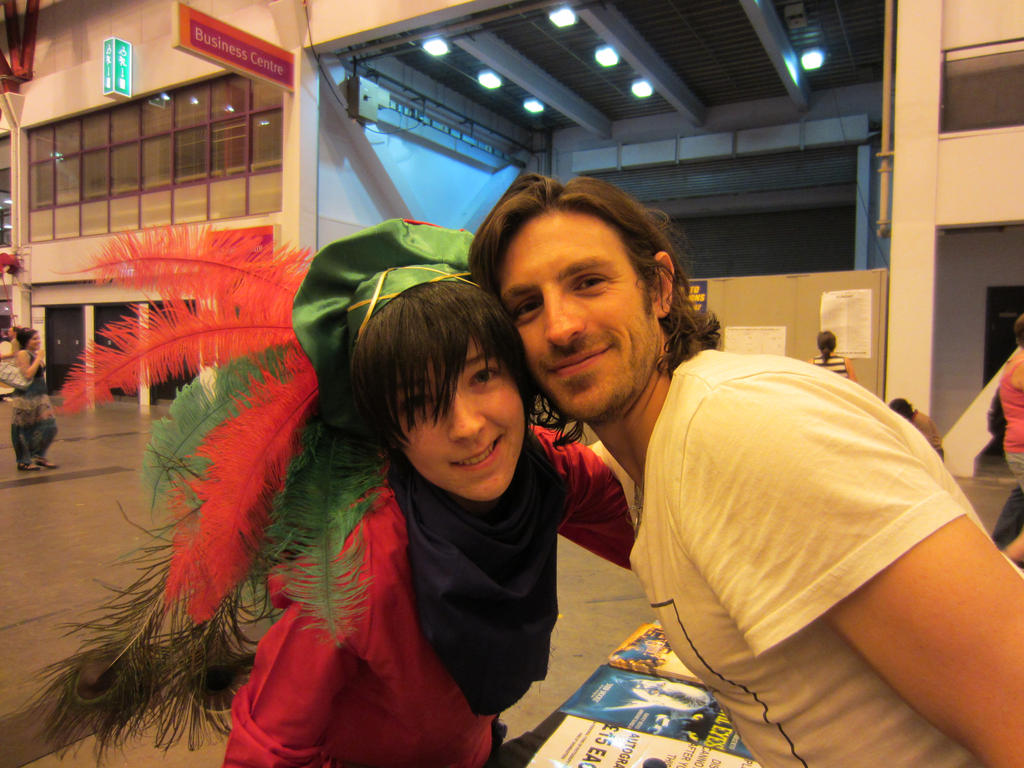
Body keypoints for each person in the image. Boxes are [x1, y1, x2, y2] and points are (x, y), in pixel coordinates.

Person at [470, 173, 1024, 767]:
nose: (561, 326)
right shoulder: (658, 451)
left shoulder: (737, 428)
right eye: (527, 306)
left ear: (659, 289)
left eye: (589, 282)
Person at [222, 222, 634, 767]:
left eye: (483, 375)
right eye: (419, 402)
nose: (466, 426)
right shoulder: (353, 564)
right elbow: (267, 748)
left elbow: (652, 529)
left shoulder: (541, 471)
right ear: (388, 429)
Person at [996, 313, 1024, 564]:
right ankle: (1004, 561)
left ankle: (999, 547)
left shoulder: (1014, 361)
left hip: (1017, 443)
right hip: (1022, 445)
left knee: (1019, 497)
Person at [11, 326, 58, 470]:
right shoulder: (24, 354)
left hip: (40, 396)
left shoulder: (33, 353)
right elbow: (28, 374)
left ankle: (38, 455)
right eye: (35, 338)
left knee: (50, 426)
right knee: (24, 429)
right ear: (26, 341)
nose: (38, 341)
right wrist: (39, 358)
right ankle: (23, 460)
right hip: (26, 397)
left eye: (38, 338)